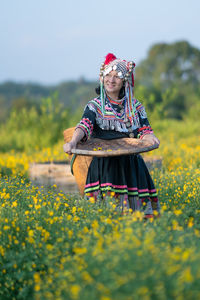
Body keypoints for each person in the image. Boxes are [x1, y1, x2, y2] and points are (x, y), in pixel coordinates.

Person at [63, 53, 160, 217]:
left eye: (117, 76)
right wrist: (73, 142)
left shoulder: (135, 107)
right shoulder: (95, 105)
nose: (111, 80)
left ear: (124, 81)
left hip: (131, 165)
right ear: (102, 77)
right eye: (108, 75)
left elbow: (145, 131)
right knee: (107, 216)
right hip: (104, 167)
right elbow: (84, 125)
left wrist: (151, 138)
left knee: (137, 218)